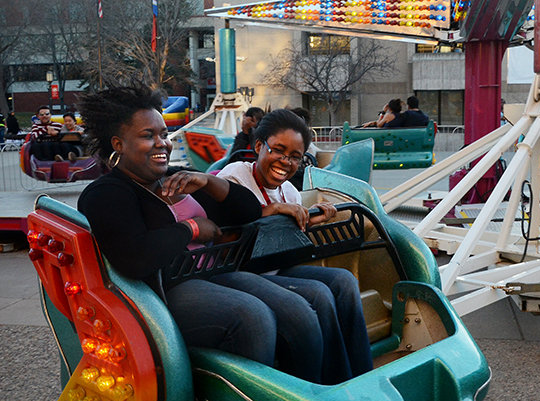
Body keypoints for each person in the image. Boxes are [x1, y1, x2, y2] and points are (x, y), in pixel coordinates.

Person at [76, 81, 293, 371]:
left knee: (300, 307)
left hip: (211, 274)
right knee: (252, 316)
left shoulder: (174, 177)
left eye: (164, 134)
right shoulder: (107, 193)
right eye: (148, 135)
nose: (162, 143)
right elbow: (134, 258)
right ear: (118, 144)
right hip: (162, 296)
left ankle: (324, 395)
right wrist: (191, 229)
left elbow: (248, 211)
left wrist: (208, 180)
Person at [217, 108, 373, 385]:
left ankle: (361, 375)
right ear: (257, 146)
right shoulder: (235, 177)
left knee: (344, 281)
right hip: (237, 271)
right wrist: (272, 211)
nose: (285, 162)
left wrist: (311, 217)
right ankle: (327, 384)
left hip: (273, 267)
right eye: (278, 150)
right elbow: (225, 236)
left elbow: (285, 236)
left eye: (294, 157)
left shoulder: (289, 190)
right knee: (318, 294)